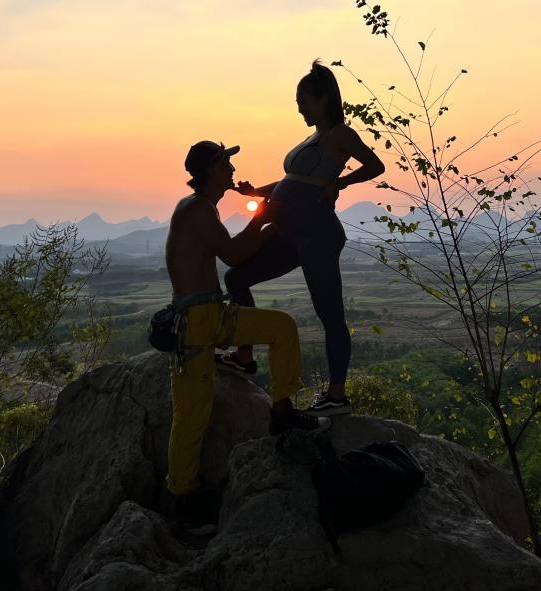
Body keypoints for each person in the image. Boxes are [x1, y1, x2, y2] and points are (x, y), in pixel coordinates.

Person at [163, 140, 329, 521]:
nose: (233, 170)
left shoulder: (201, 208)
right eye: (226, 163)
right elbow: (234, 255)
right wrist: (263, 221)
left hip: (213, 314)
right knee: (192, 414)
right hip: (196, 322)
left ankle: (282, 409)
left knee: (282, 328)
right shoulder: (196, 209)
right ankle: (182, 497)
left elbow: (233, 249)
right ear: (210, 169)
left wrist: (265, 227)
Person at [226, 61, 385, 415]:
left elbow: (376, 166)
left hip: (317, 234)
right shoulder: (312, 138)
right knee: (236, 277)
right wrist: (257, 191)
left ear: (323, 99)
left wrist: (339, 183)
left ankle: (337, 396)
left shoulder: (339, 135)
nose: (299, 108)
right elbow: (292, 182)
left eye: (304, 102)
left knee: (330, 315)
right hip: (289, 233)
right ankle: (245, 355)